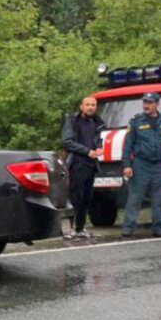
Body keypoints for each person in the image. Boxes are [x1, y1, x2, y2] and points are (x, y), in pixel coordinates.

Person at [120, 92, 161, 238]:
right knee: (135, 197)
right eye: (144, 102)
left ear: (157, 104)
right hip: (141, 164)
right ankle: (128, 227)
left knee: (158, 198)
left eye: (149, 102)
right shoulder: (136, 121)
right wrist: (127, 165)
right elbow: (127, 145)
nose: (146, 105)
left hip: (160, 165)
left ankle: (159, 227)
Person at [61, 96, 105, 239]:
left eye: (93, 105)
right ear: (81, 106)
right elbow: (67, 142)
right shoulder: (73, 120)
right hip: (77, 163)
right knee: (75, 197)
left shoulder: (96, 122)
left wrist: (99, 148)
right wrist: (87, 151)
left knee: (87, 198)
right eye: (87, 105)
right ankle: (69, 229)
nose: (90, 107)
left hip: (91, 165)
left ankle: (80, 228)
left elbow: (98, 140)